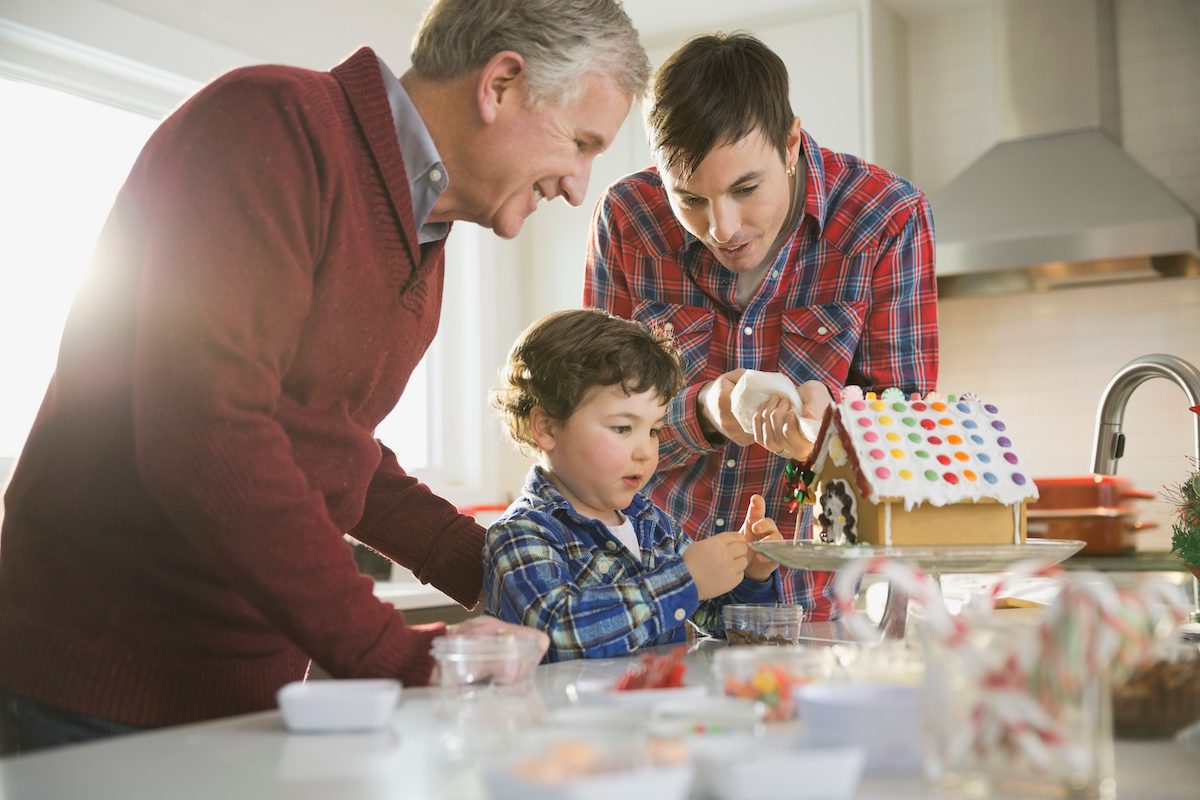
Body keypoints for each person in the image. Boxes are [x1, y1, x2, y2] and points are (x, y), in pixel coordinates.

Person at [0, 0, 649, 754]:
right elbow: (208, 432)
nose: (579, 185)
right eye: (581, 142)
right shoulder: (270, 124)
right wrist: (400, 654)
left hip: (247, 694)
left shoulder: (423, 239)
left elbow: (330, 450)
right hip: (101, 686)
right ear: (500, 84)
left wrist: (504, 573)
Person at [584, 32, 938, 620]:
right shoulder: (628, 220)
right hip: (653, 590)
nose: (722, 226)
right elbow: (596, 430)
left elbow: (908, 453)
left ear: (792, 143)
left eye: (745, 189)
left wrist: (830, 442)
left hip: (811, 601)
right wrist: (709, 411)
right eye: (689, 198)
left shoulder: (886, 219)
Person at [484, 308, 783, 661]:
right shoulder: (520, 535)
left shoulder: (655, 527)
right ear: (547, 428)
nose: (645, 452)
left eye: (653, 430)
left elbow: (724, 625)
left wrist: (749, 575)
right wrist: (683, 582)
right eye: (622, 428)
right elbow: (556, 632)